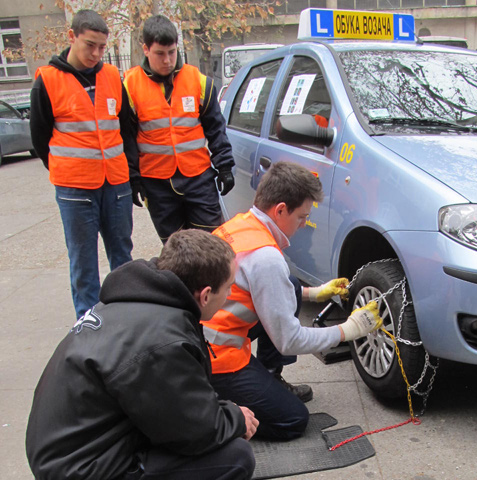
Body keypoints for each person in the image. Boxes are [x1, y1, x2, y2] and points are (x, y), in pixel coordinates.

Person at [26, 229, 259, 480]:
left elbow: (174, 406)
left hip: (70, 452)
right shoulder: (163, 341)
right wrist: (235, 417)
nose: (229, 295)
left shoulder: (137, 300)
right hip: (81, 470)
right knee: (234, 457)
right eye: (228, 288)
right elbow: (195, 432)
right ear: (204, 295)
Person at [201, 161, 383, 440]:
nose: (303, 224)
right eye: (301, 217)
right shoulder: (265, 257)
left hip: (205, 336)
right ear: (281, 209)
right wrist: (349, 330)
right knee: (293, 420)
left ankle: (269, 377)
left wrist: (314, 292)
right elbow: (289, 340)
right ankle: (214, 408)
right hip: (217, 359)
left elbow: (261, 288)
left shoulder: (242, 224)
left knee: (293, 285)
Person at [30, 10, 138, 319]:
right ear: (71, 37)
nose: (96, 54)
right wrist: (65, 170)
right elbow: (40, 137)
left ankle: (127, 319)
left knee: (123, 259)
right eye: (90, 45)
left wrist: (130, 172)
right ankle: (88, 327)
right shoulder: (47, 81)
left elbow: (126, 129)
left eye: (102, 47)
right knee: (83, 263)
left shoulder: (112, 78)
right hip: (75, 189)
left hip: (116, 184)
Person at [124, 15, 235, 243]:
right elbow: (127, 137)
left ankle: (210, 281)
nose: (167, 60)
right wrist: (133, 179)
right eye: (160, 54)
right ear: (146, 49)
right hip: (157, 183)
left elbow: (215, 128)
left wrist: (224, 166)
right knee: (176, 248)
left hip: (198, 177)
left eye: (172, 53)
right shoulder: (130, 87)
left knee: (211, 243)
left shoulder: (198, 81)